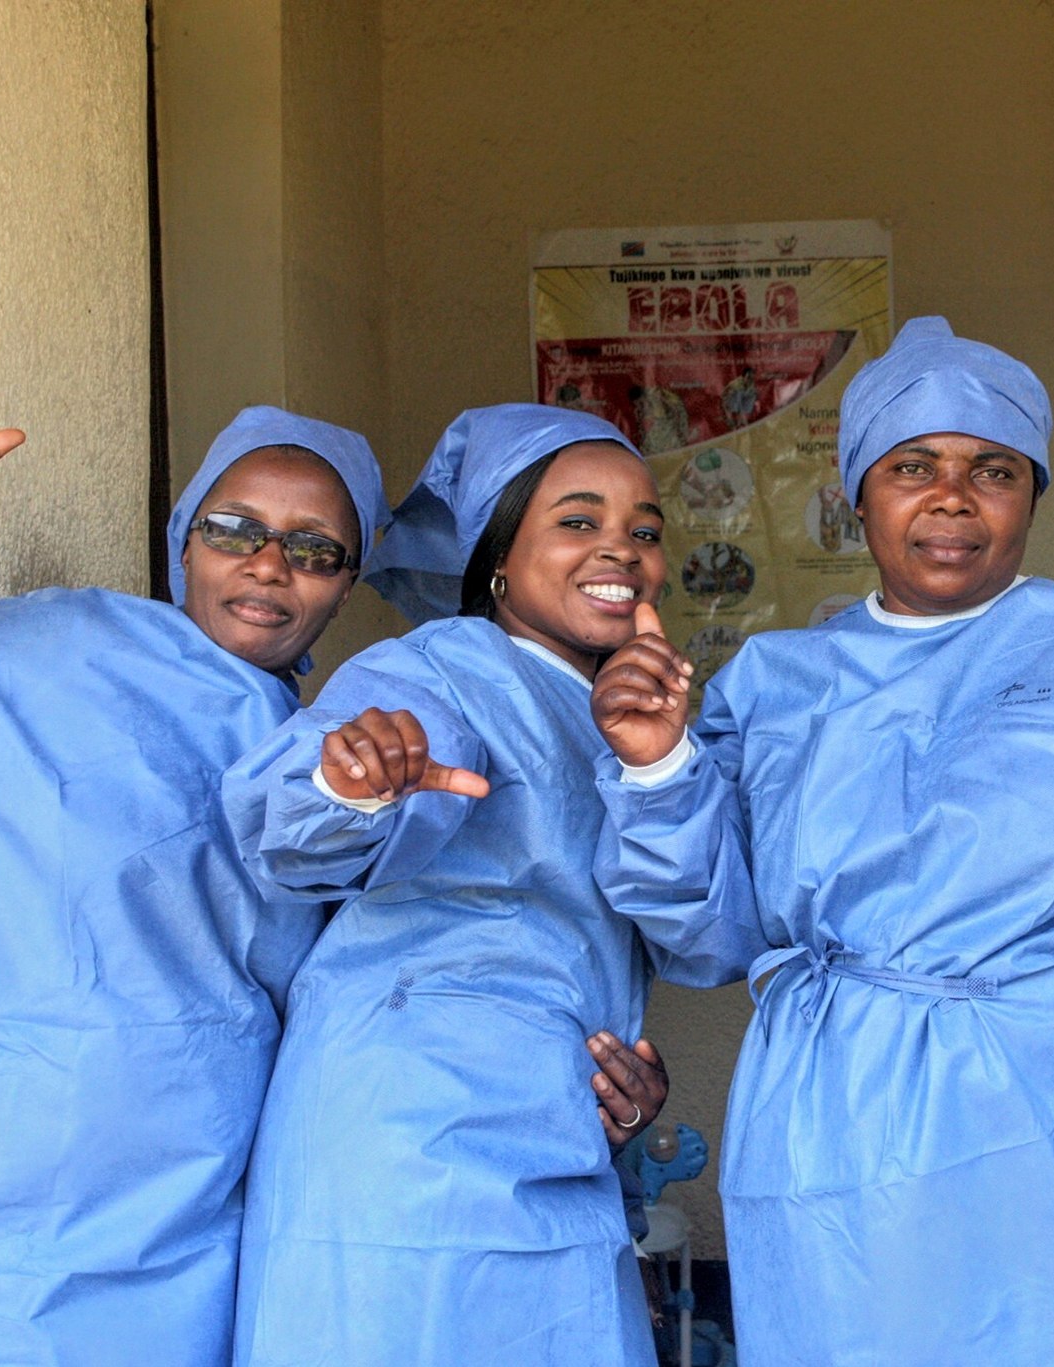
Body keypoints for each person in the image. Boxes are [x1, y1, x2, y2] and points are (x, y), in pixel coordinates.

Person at [590, 317, 1054, 1364]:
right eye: (911, 466)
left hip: (1050, 1105)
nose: (951, 497)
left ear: (1033, 494)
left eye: (993, 469)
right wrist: (657, 766)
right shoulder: (772, 682)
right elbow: (705, 940)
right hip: (834, 1117)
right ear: (853, 492)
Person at [0, 407, 393, 1363]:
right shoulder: (29, 654)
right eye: (234, 529)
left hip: (196, 1223)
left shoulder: (339, 766)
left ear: (347, 584)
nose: (268, 564)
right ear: (183, 538)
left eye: (314, 548)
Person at [221, 404, 754, 1366]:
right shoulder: (441, 671)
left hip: (560, 1136)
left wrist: (654, 765)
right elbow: (294, 821)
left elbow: (709, 940)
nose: (621, 550)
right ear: (499, 559)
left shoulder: (642, 713)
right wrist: (355, 781)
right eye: (578, 521)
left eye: (644, 529)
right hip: (398, 1140)